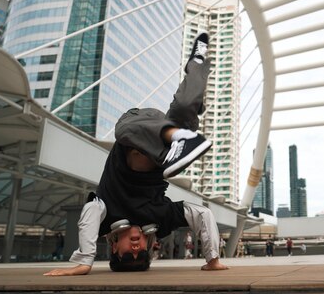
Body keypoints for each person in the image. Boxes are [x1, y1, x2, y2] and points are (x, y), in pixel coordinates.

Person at [44, 32, 227, 275]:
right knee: (187, 104)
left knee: (125, 132)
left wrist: (85, 260)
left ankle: (179, 137)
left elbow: (89, 213)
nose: (135, 246)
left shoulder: (105, 217)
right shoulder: (161, 219)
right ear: (150, 246)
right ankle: (197, 62)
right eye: (141, 252)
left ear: (112, 245)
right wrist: (212, 257)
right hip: (165, 149)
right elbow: (202, 214)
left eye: (127, 253)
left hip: (135, 126)